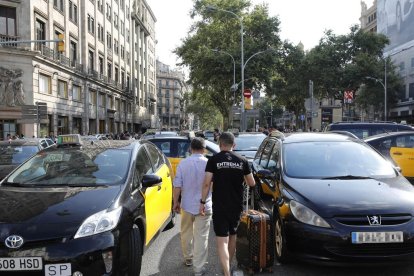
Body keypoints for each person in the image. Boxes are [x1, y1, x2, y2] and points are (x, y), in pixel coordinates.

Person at [199, 132, 255, 276]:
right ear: (233, 145)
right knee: (232, 236)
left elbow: (206, 184)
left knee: (221, 240)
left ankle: (226, 272)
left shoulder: (213, 160)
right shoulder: (242, 160)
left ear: (219, 144)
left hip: (220, 205)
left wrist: (202, 202)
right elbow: (252, 183)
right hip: (236, 205)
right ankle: (228, 267)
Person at [173, 137, 212, 276]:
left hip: (187, 204)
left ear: (190, 148)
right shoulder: (209, 163)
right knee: (202, 236)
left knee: (186, 232)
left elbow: (177, 185)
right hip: (205, 205)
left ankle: (188, 258)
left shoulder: (183, 164)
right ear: (204, 149)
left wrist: (175, 202)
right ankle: (198, 268)